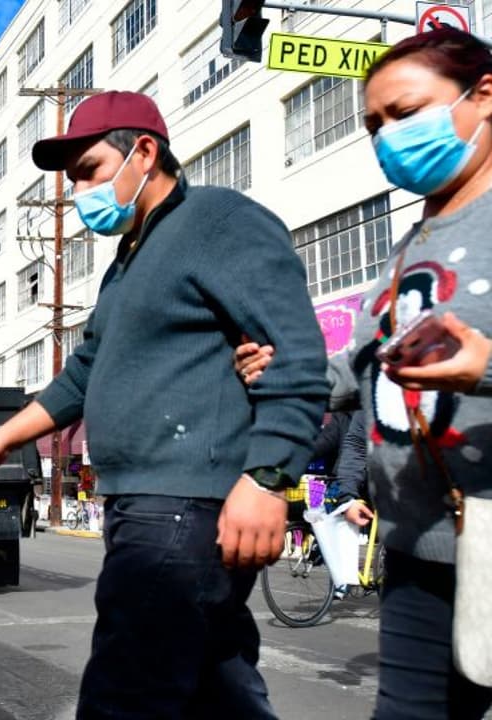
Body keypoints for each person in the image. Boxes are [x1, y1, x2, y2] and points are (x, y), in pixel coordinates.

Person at [0, 91, 329, 718]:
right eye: (73, 182)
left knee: (125, 695)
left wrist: (267, 476)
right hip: (146, 505)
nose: (80, 193)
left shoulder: (219, 221)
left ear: (144, 152)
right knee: (219, 686)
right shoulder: (126, 263)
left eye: (90, 171)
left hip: (181, 506)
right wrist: (0, 441)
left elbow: (293, 352)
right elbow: (83, 375)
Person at [235, 28, 492, 719]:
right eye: (373, 125)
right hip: (418, 539)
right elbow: (368, 368)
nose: (387, 139)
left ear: (485, 96)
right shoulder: (416, 237)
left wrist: (485, 368)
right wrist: (284, 371)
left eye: (405, 114)